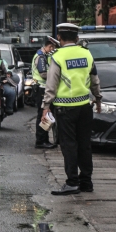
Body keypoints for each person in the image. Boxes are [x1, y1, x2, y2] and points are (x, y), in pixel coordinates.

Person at [42, 23, 102, 195]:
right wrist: (97, 99)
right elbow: (95, 80)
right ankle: (86, 182)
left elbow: (51, 84)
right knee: (84, 145)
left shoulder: (58, 56)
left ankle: (72, 182)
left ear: (59, 38)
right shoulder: (87, 54)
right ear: (76, 38)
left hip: (65, 109)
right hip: (84, 107)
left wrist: (46, 106)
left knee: (69, 145)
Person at [32, 38, 58, 149]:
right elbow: (43, 74)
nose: (53, 50)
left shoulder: (43, 55)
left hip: (42, 88)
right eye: (52, 48)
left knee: (45, 115)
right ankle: (40, 141)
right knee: (42, 115)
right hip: (41, 89)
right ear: (49, 47)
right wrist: (56, 75)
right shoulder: (41, 57)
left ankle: (45, 140)